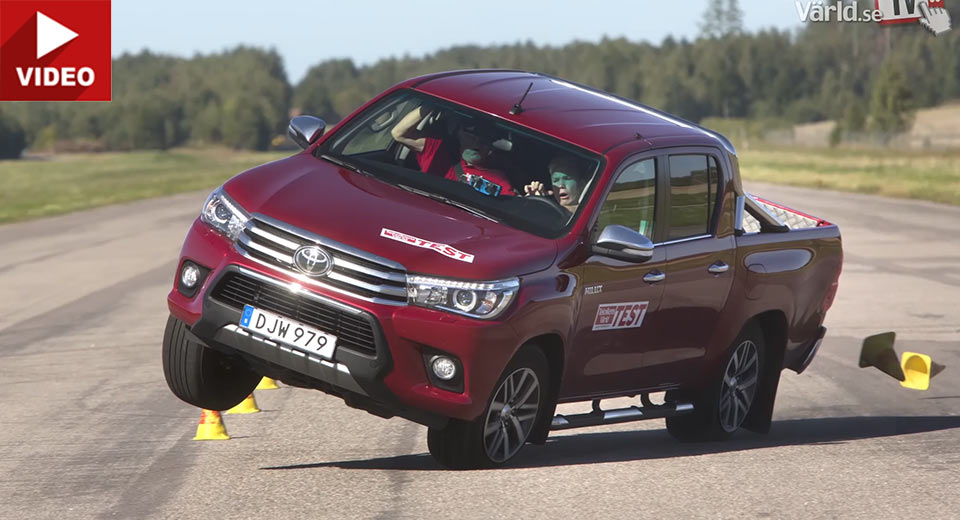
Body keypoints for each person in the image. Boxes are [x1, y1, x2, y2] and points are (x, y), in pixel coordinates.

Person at [391, 106, 516, 196]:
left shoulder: (497, 177)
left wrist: (532, 195)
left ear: (490, 148)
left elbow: (509, 208)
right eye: (470, 136)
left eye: (482, 142)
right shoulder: (439, 151)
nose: (475, 143)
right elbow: (398, 133)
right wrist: (431, 105)